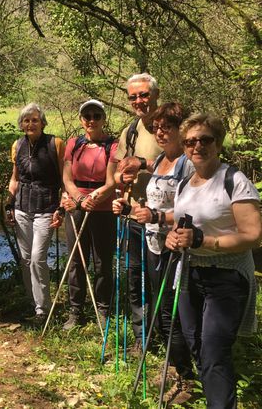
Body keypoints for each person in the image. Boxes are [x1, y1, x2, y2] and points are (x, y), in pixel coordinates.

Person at [165, 114, 260, 408]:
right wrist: (173, 238)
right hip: (190, 274)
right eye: (190, 141)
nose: (197, 146)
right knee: (196, 345)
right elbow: (180, 226)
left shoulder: (233, 180)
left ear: (217, 143)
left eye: (205, 140)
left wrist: (204, 241)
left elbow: (254, 235)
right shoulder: (184, 184)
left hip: (227, 277)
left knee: (214, 353)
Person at [113, 103, 195, 402]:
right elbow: (150, 196)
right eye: (156, 127)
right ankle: (176, 366)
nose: (160, 132)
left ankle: (187, 379)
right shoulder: (160, 159)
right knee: (161, 313)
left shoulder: (186, 163)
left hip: (176, 248)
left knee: (174, 313)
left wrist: (158, 217)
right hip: (152, 244)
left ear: (180, 129)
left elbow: (191, 209)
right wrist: (129, 208)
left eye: (167, 127)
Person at [112, 72, 163, 351]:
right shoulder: (130, 130)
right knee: (135, 279)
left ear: (155, 94)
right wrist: (122, 181)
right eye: (133, 97)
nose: (139, 101)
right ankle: (142, 339)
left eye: (143, 95)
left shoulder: (167, 126)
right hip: (133, 216)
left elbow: (179, 163)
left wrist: (141, 163)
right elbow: (120, 170)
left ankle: (167, 339)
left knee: (160, 282)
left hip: (163, 219)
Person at [58, 99, 117, 329]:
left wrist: (93, 199)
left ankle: (102, 309)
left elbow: (112, 182)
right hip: (77, 207)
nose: (91, 120)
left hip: (102, 209)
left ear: (103, 119)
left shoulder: (113, 145)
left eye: (96, 116)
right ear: (81, 120)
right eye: (87, 116)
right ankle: (76, 311)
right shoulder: (74, 143)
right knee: (76, 260)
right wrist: (80, 200)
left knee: (103, 261)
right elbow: (66, 178)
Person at [6, 103, 64, 322]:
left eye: (35, 120)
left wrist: (61, 206)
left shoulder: (55, 144)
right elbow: (15, 178)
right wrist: (8, 203)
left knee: (38, 258)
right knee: (25, 258)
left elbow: (63, 177)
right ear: (22, 124)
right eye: (26, 120)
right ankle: (34, 304)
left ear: (42, 122)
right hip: (22, 208)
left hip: (47, 208)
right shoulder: (17, 145)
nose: (30, 124)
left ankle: (43, 309)